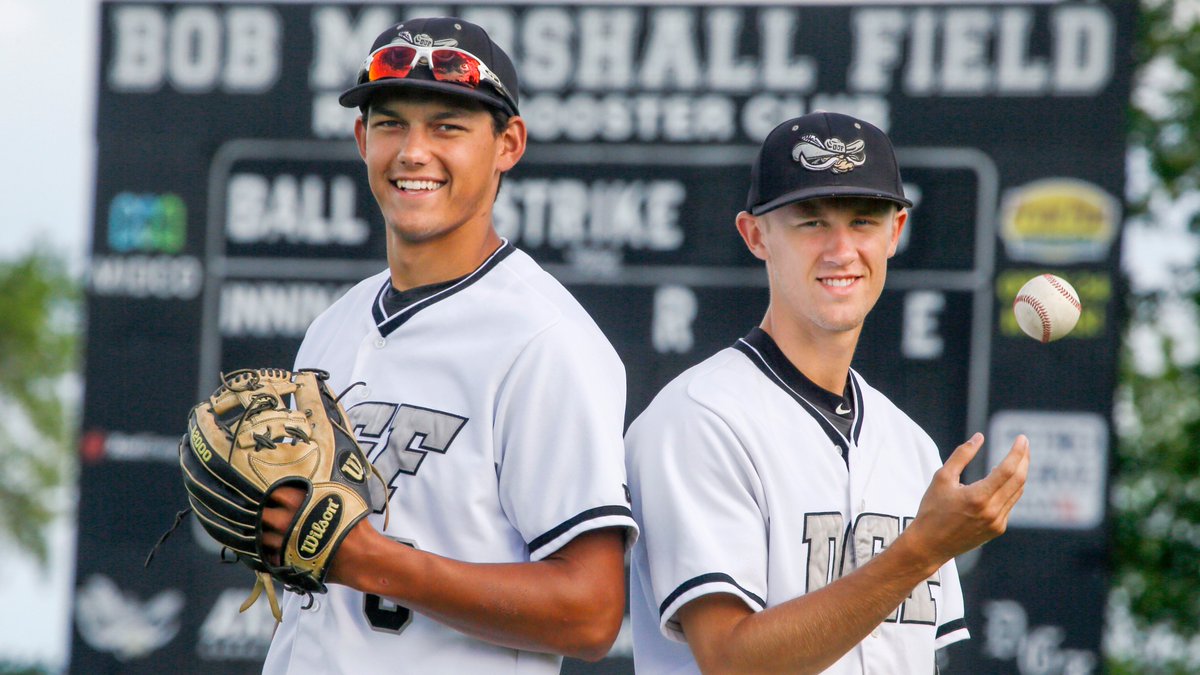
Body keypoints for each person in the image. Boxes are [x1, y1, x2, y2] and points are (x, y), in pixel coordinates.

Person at [257, 17, 637, 674]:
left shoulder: (547, 341)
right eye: (391, 123)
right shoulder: (332, 327)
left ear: (507, 144)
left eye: (448, 127)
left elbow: (592, 610)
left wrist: (375, 561)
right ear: (361, 138)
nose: (412, 151)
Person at [625, 111, 1030, 674]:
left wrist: (925, 551)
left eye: (863, 221)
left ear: (895, 232)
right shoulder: (699, 420)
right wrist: (922, 550)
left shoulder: (908, 445)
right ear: (756, 234)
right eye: (811, 222)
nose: (841, 250)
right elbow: (730, 659)